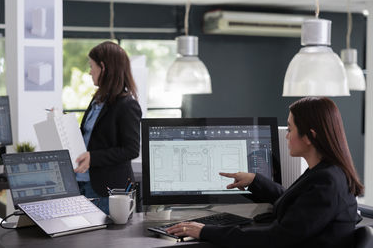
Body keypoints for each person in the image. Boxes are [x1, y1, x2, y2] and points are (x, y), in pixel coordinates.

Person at [167, 97, 363, 248]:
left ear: (309, 136)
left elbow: (276, 237)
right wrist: (254, 181)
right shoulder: (327, 173)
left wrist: (206, 231)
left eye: (289, 129)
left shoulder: (326, 182)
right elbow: (296, 204)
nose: (286, 136)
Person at [74, 41, 141, 215]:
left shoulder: (127, 105)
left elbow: (131, 150)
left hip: (108, 190)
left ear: (103, 67)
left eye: (92, 66)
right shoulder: (97, 101)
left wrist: (93, 158)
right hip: (83, 184)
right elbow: (92, 138)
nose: (90, 72)